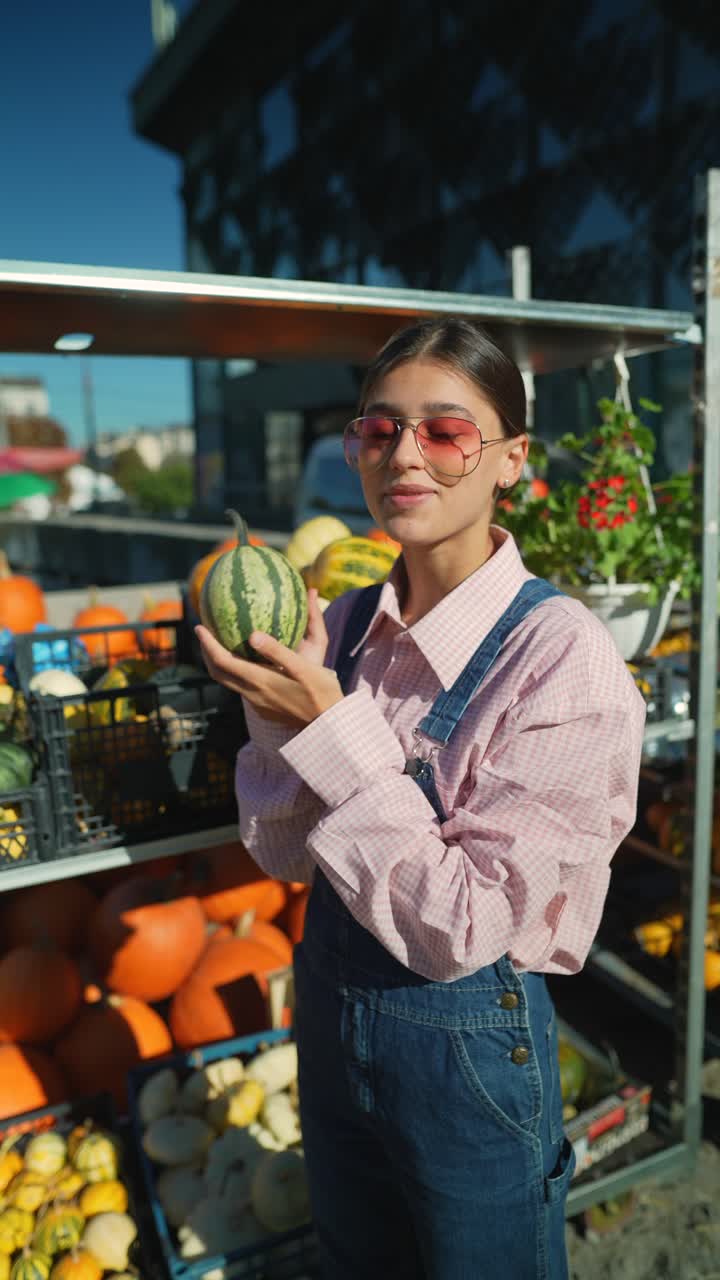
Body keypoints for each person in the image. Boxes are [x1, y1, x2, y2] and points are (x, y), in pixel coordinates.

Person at [196, 318, 646, 1280]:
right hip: (327, 1014)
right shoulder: (343, 624)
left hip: (467, 1062)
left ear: (511, 461)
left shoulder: (562, 659)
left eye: (446, 431)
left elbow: (465, 924)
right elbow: (282, 857)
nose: (406, 454)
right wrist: (277, 714)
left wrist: (328, 729)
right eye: (379, 429)